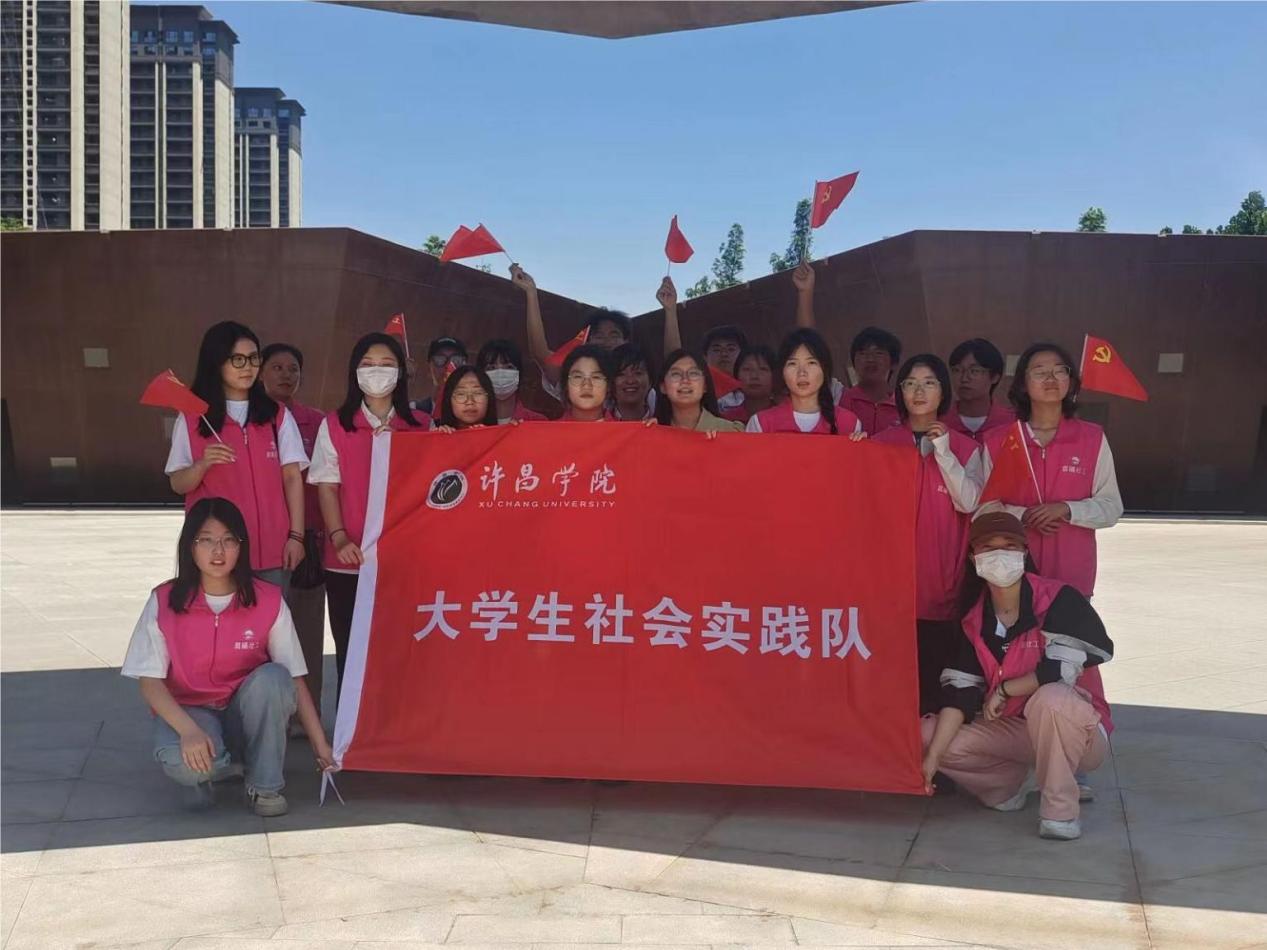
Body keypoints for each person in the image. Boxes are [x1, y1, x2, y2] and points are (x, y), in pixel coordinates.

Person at [120, 497, 333, 816]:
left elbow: (294, 677)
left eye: (228, 540)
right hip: (192, 712)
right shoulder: (164, 601)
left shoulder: (267, 600)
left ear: (241, 547)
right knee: (184, 764)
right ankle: (218, 766)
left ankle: (263, 786)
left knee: (275, 678)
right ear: (190, 546)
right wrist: (189, 731)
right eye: (206, 540)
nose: (218, 551)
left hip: (242, 713)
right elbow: (150, 681)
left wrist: (320, 745)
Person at [978, 341, 1123, 801]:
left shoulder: (1091, 438)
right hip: (1014, 576)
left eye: (1059, 370)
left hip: (1071, 574)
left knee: (1070, 662)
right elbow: (984, 507)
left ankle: (1073, 757)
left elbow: (1111, 506)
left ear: (1071, 382)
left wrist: (1068, 509)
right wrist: (1022, 515)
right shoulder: (1001, 440)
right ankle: (1022, 757)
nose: (1050, 378)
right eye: (1039, 371)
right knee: (1017, 660)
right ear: (1022, 384)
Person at [920, 511, 1114, 841]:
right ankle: (1007, 786)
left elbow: (1060, 670)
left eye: (1009, 545)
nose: (999, 554)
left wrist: (1005, 689)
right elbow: (960, 695)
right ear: (973, 558)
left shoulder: (1058, 599)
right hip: (1018, 731)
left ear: (1024, 552)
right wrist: (933, 759)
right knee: (927, 734)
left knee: (1051, 700)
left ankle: (1060, 812)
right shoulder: (973, 620)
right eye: (988, 547)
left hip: (1080, 733)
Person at [308, 332, 424, 699]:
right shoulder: (335, 425)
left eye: (387, 364)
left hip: (403, 561)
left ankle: (398, 725)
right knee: (352, 650)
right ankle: (353, 727)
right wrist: (340, 537)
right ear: (354, 371)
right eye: (368, 364)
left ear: (401, 372)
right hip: (348, 560)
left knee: (402, 650)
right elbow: (327, 487)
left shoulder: (421, 425)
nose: (377, 371)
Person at [873, 355, 984, 713]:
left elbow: (969, 502)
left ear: (943, 392)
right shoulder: (881, 444)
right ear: (900, 391)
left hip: (941, 586)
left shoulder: (965, 448)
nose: (919, 391)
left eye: (929, 383)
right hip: (890, 587)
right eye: (910, 383)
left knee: (934, 684)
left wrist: (944, 452)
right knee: (890, 685)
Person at [166, 321, 308, 589]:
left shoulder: (276, 415)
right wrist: (202, 464)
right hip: (218, 556)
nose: (248, 367)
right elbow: (178, 483)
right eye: (238, 360)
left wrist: (296, 537)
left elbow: (292, 477)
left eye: (253, 358)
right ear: (216, 362)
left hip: (273, 550)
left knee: (272, 615)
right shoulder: (193, 418)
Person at [259, 342, 328, 722]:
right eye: (277, 367)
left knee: (305, 634)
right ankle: (267, 716)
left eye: (293, 369)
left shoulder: (317, 423)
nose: (286, 375)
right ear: (260, 373)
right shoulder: (249, 421)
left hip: (307, 544)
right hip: (261, 543)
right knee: (261, 636)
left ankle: (306, 717)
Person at [791, 261, 901, 433]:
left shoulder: (906, 406)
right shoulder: (837, 396)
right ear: (853, 362)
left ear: (894, 362)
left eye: (878, 353)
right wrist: (805, 293)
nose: (870, 359)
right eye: (862, 353)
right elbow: (808, 344)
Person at [512, 263, 632, 403]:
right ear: (587, 341)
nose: (606, 341)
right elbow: (540, 354)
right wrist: (531, 293)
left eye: (614, 335)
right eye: (599, 336)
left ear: (626, 341)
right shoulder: (574, 377)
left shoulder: (639, 383)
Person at [746, 329, 865, 437]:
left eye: (811, 363)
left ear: (824, 369)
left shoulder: (849, 423)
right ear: (782, 372)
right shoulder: (761, 424)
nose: (802, 372)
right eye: (793, 363)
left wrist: (863, 446)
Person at [657, 276, 748, 414]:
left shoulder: (755, 384)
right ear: (704, 357)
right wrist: (670, 311)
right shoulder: (696, 384)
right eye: (716, 349)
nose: (724, 354)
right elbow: (674, 358)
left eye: (731, 348)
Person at [655, 349, 744, 433]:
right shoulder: (654, 431)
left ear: (705, 386)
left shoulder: (730, 431)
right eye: (676, 374)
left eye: (693, 373)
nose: (685, 380)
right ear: (663, 387)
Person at [944, 337, 1015, 441]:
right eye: (957, 370)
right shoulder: (941, 423)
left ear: (995, 377)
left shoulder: (1013, 423)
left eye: (974, 371)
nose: (964, 378)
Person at [475, 338, 547, 423]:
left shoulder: (537, 421)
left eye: (509, 367)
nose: (500, 373)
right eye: (491, 368)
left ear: (519, 373)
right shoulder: (471, 423)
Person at [721, 344, 779, 423]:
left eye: (763, 369)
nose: (754, 376)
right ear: (736, 376)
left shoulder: (786, 418)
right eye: (747, 369)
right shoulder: (726, 420)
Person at [557, 344, 615, 422]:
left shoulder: (626, 429)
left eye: (596, 377)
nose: (586, 385)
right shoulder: (547, 429)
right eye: (578, 377)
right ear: (566, 385)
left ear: (608, 386)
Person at [411, 336, 468, 416]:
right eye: (440, 359)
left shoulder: (475, 413)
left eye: (456, 360)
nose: (448, 366)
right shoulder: (413, 410)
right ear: (429, 368)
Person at [436, 365, 499, 431]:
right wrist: (439, 435)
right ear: (448, 400)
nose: (470, 402)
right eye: (461, 394)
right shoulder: (439, 435)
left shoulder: (502, 435)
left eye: (477, 393)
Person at [610, 343, 655, 421]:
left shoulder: (664, 423)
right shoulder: (599, 424)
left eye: (638, 373)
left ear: (650, 381)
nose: (630, 381)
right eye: (621, 374)